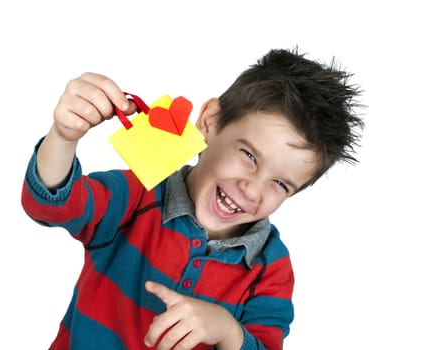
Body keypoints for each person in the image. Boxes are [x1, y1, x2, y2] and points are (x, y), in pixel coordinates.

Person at [21, 48, 364, 350]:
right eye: (249, 155)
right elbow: (50, 204)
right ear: (210, 122)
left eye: (280, 183)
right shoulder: (139, 195)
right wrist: (63, 137)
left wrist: (227, 330)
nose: (252, 189)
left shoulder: (269, 268)